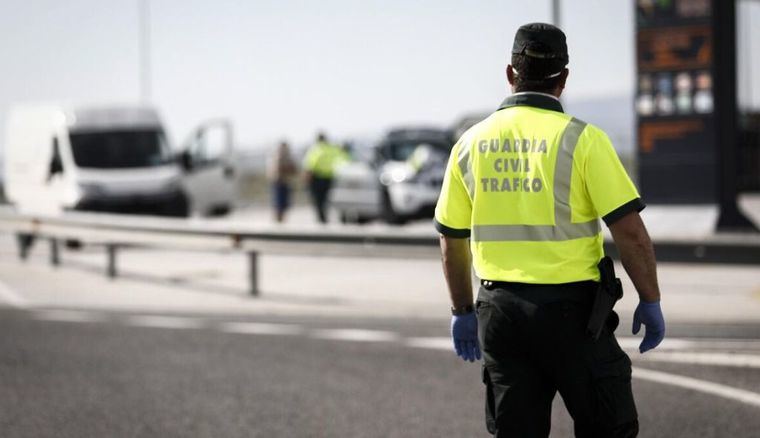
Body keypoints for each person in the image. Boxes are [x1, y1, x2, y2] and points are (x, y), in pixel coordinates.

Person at [434, 23, 665, 437]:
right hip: (573, 315)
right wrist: (650, 299)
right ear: (564, 78)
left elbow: (452, 241)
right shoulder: (585, 140)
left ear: (510, 73)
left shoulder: (470, 144)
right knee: (608, 427)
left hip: (499, 312)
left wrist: (461, 310)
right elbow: (631, 234)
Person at [302, 132, 348, 223]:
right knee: (326, 199)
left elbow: (310, 164)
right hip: (329, 177)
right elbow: (343, 157)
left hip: (317, 177)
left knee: (318, 199)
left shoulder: (316, 149)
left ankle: (321, 218)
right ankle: (324, 216)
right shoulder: (332, 148)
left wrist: (307, 176)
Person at [266, 140, 298, 223]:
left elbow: (294, 169)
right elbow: (277, 169)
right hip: (278, 182)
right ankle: (278, 220)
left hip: (285, 182)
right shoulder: (276, 156)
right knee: (279, 203)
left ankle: (281, 220)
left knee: (284, 204)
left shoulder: (288, 156)